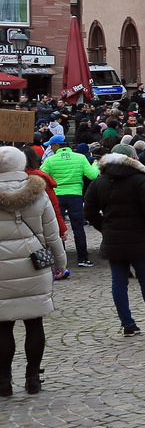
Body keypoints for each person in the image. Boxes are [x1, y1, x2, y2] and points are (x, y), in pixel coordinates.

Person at [82, 144, 145, 336]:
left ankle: (127, 324)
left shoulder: (99, 182)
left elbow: (89, 211)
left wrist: (104, 227)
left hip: (114, 237)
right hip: (140, 236)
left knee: (118, 282)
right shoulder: (140, 180)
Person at [0, 145, 68, 395]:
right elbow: (52, 233)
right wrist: (60, 263)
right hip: (33, 264)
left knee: (2, 326)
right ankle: (33, 378)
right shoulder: (38, 193)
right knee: (34, 321)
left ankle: (4, 381)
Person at [40, 137, 96, 268]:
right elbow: (92, 175)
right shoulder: (80, 158)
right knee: (78, 228)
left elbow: (41, 176)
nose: (50, 148)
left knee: (58, 228)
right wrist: (95, 164)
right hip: (75, 195)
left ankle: (62, 258)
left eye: (51, 146)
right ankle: (83, 258)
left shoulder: (49, 160)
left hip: (57, 196)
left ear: (56, 145)